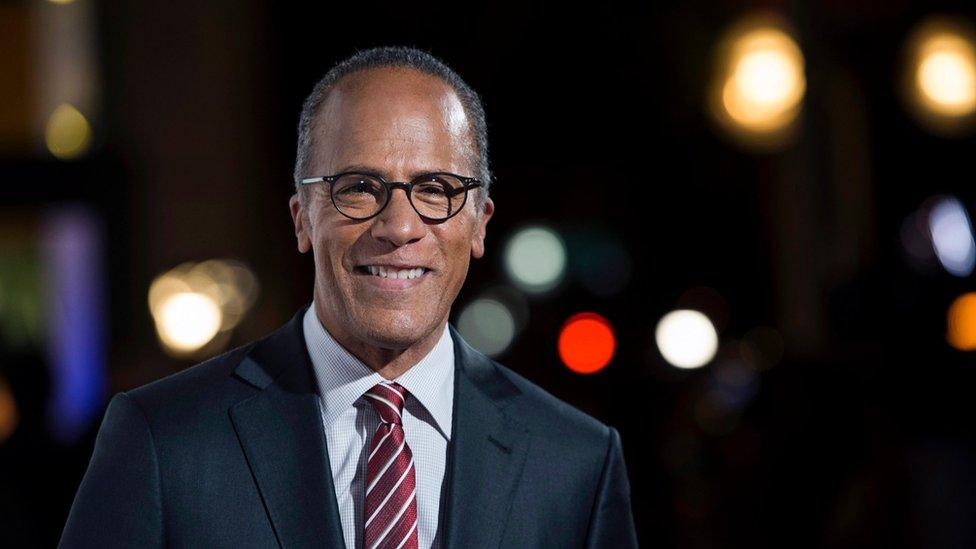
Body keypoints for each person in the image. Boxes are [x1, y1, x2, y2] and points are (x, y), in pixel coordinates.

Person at [59, 45, 639, 548]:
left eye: (436, 189)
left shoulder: (576, 463)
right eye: (359, 188)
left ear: (480, 224)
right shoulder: (163, 439)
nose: (399, 226)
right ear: (301, 219)